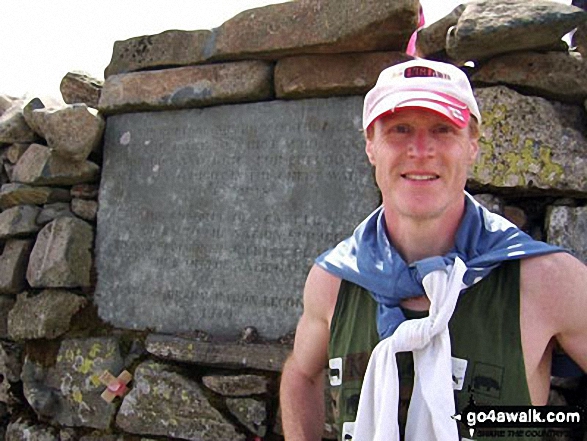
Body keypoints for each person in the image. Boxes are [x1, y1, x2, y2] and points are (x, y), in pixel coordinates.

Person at [280, 59, 587, 441]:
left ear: (472, 145)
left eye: (443, 129)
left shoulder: (547, 280)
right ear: (370, 146)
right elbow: (300, 373)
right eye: (400, 129)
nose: (421, 150)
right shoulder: (333, 281)